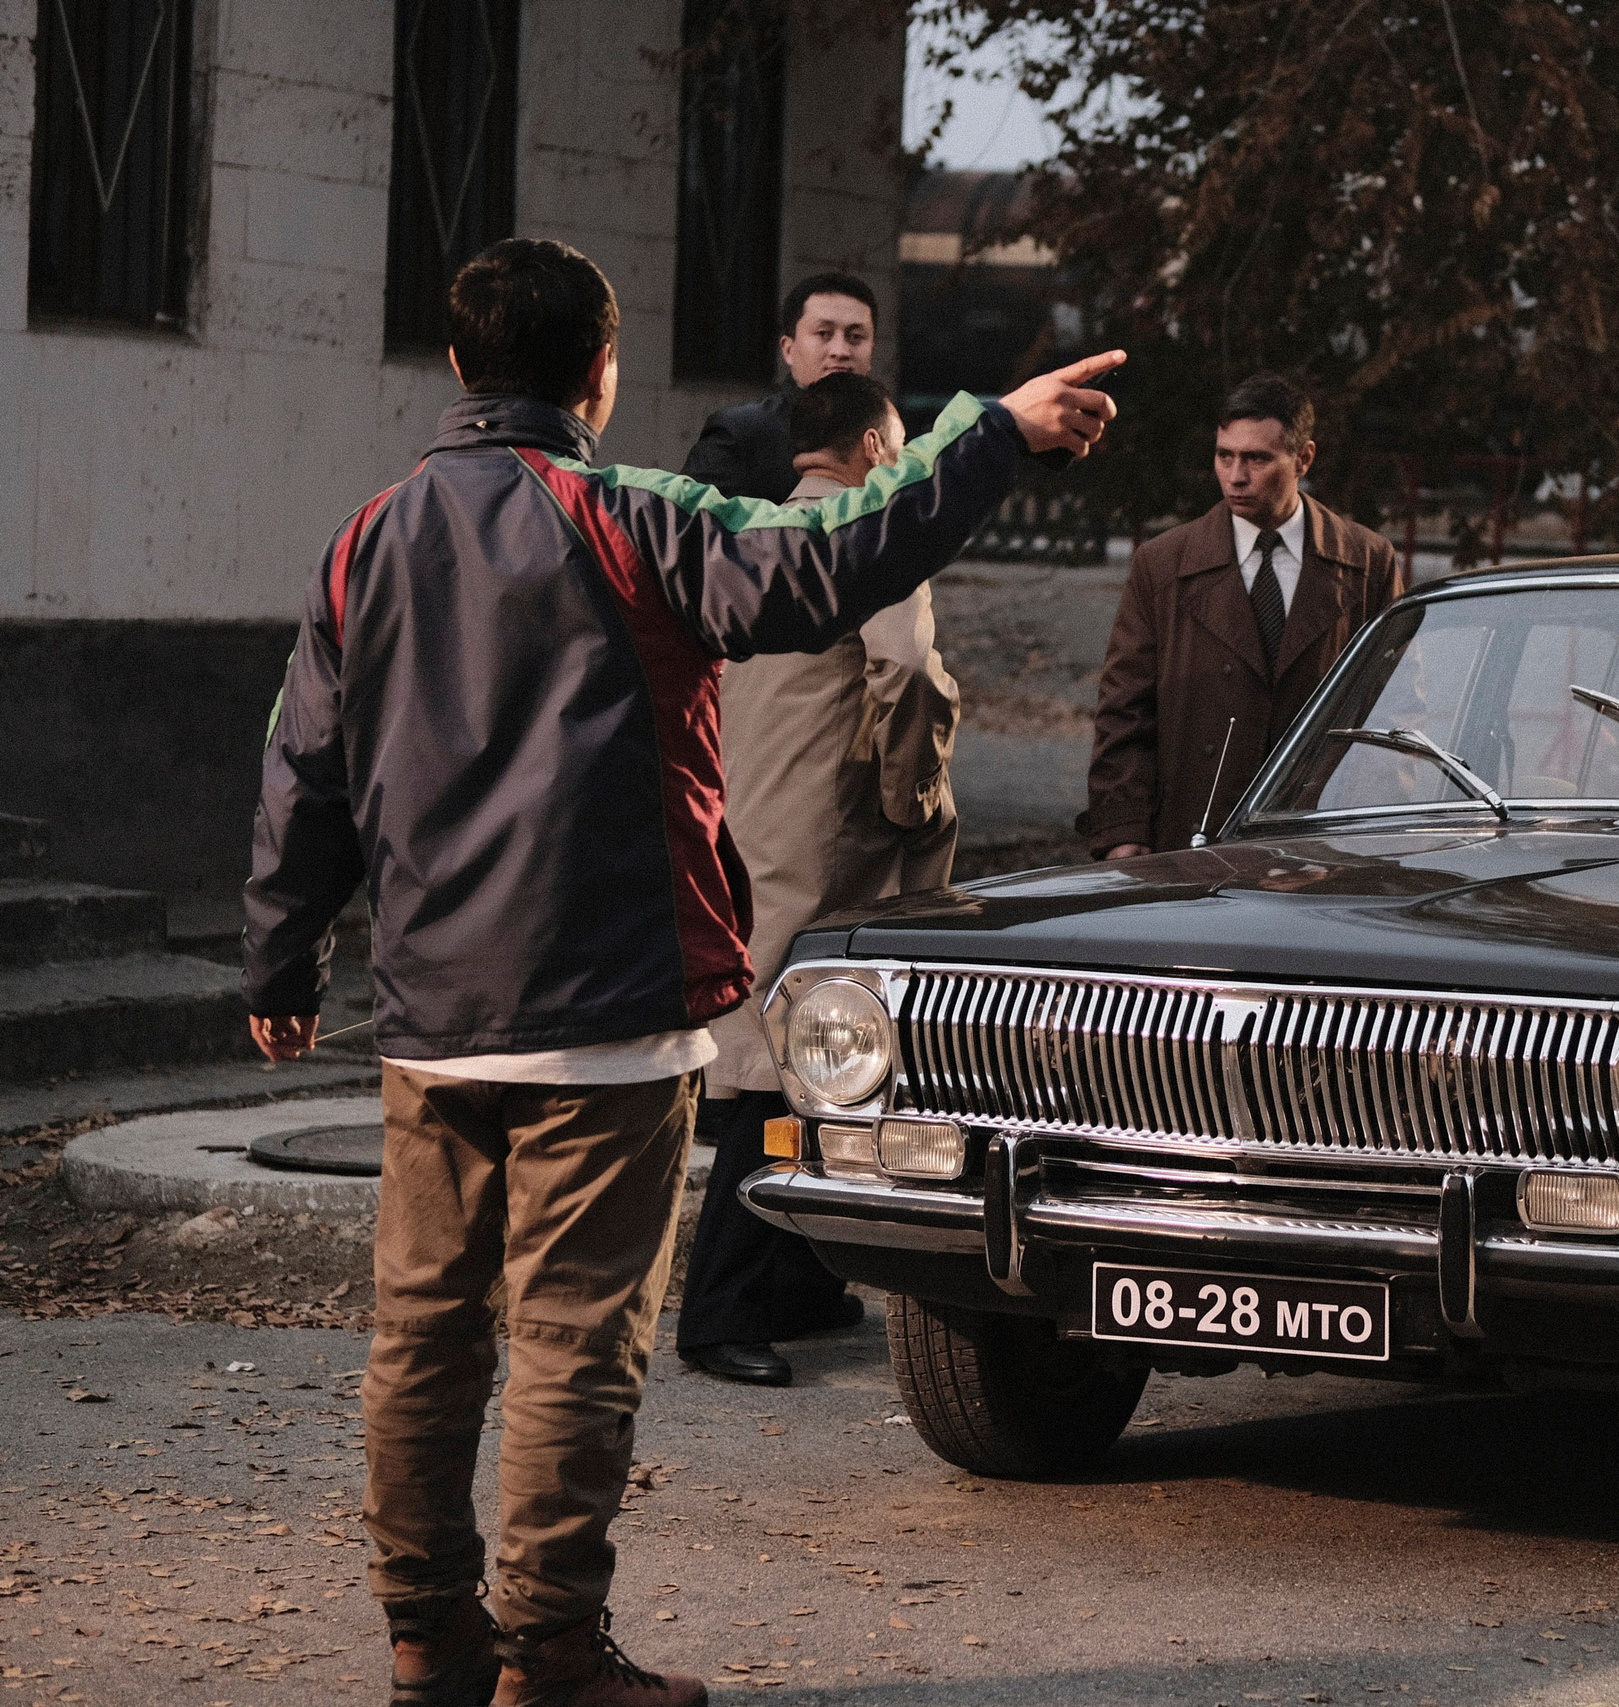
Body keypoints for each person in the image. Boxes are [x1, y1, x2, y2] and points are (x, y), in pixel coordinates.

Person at [240, 236, 1119, 1707]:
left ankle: (427, 1638)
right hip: (610, 1016)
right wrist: (993, 432)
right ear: (602, 366)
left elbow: (301, 763)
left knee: (424, 1337)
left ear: (458, 367)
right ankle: (551, 1652)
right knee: (577, 1341)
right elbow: (828, 561)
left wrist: (280, 951)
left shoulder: (366, 535)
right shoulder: (633, 515)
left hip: (433, 1020)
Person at [680, 371, 961, 1389]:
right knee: (792, 1067)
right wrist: (912, 802)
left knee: (790, 1056)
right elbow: (908, 676)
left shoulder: (752, 535)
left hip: (746, 819)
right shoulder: (871, 537)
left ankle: (797, 1285)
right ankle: (717, 1311)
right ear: (876, 445)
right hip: (832, 836)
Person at [1085, 373, 1404, 857]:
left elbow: (1393, 712)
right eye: (1224, 455)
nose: (1236, 476)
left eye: (1257, 459)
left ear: (1303, 459)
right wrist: (1123, 832)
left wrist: (1357, 837)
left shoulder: (1367, 562)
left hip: (1319, 843)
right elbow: (1125, 710)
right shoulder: (1164, 564)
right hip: (1191, 841)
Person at [680, 270, 879, 501]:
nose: (840, 351)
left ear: (872, 350)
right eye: (824, 333)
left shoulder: (889, 434)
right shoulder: (741, 432)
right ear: (788, 349)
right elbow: (689, 525)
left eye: (855, 337)